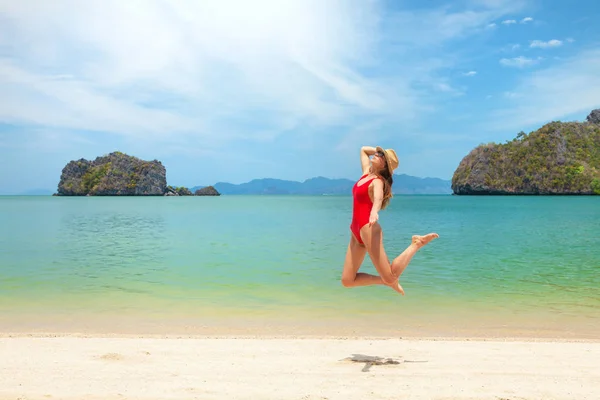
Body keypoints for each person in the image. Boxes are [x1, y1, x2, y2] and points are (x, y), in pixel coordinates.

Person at [341, 145, 439, 295]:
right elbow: (363, 150)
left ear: (384, 165)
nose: (376, 155)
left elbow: (378, 198)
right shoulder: (366, 173)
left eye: (381, 156)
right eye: (378, 153)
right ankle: (386, 282)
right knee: (347, 281)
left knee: (390, 276)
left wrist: (374, 212)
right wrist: (381, 153)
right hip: (355, 232)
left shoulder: (378, 181)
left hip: (368, 228)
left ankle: (416, 244)